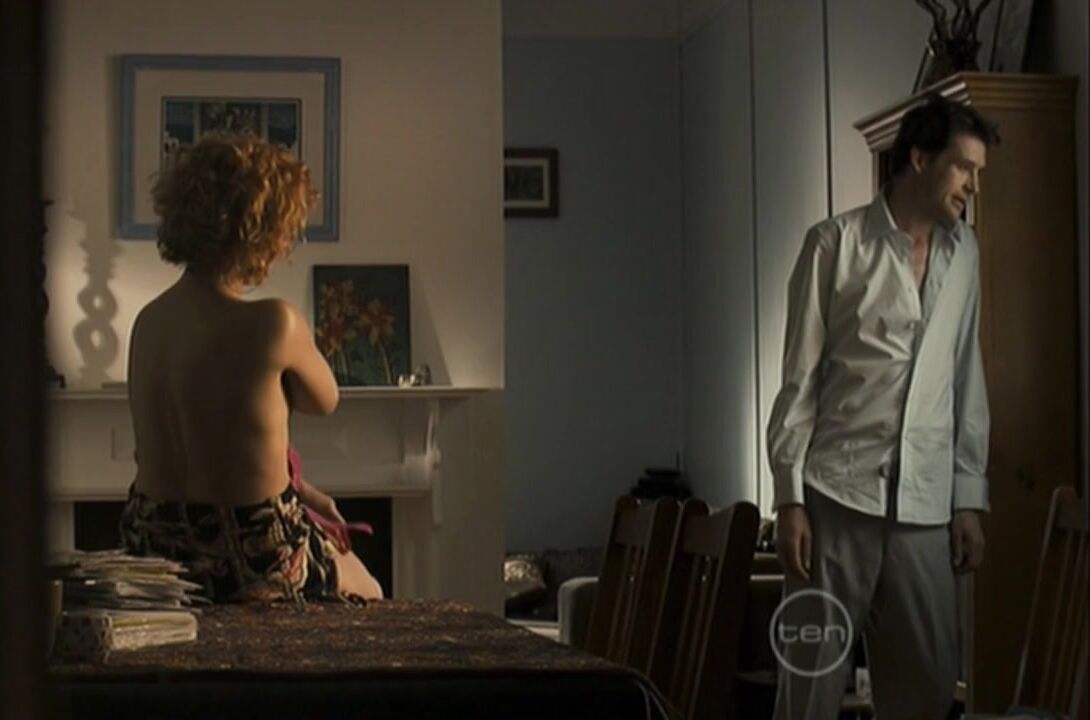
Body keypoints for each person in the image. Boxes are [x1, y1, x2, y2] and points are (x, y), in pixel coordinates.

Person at [766, 95, 998, 719]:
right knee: (809, 691)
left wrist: (968, 497)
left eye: (977, 172)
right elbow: (798, 382)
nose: (973, 186)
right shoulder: (833, 246)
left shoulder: (965, 254)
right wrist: (789, 499)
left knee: (928, 686)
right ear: (919, 159)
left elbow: (965, 374)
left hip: (925, 506)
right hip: (834, 499)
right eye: (964, 168)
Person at [119, 133, 383, 603]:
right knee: (370, 587)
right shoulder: (274, 322)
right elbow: (325, 400)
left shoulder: (148, 322)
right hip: (250, 554)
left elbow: (209, 451)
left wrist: (304, 493)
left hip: (153, 548)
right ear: (264, 231)